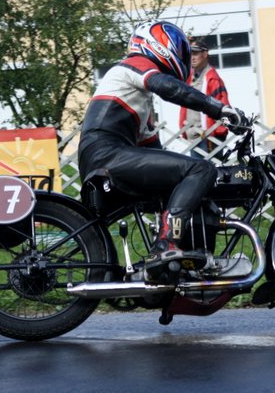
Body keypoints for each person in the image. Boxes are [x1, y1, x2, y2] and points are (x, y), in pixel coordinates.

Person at [78, 20, 243, 281]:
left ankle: (177, 270)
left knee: (188, 178)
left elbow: (155, 151)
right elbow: (170, 88)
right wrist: (218, 108)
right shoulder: (134, 64)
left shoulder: (139, 100)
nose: (183, 55)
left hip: (107, 155)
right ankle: (166, 245)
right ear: (158, 44)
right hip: (107, 153)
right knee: (201, 169)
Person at [179, 39, 230, 159]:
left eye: (195, 54)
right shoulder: (189, 77)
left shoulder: (212, 79)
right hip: (193, 135)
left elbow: (223, 106)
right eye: (190, 54)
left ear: (205, 54)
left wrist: (218, 132)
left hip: (209, 137)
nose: (192, 58)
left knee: (211, 169)